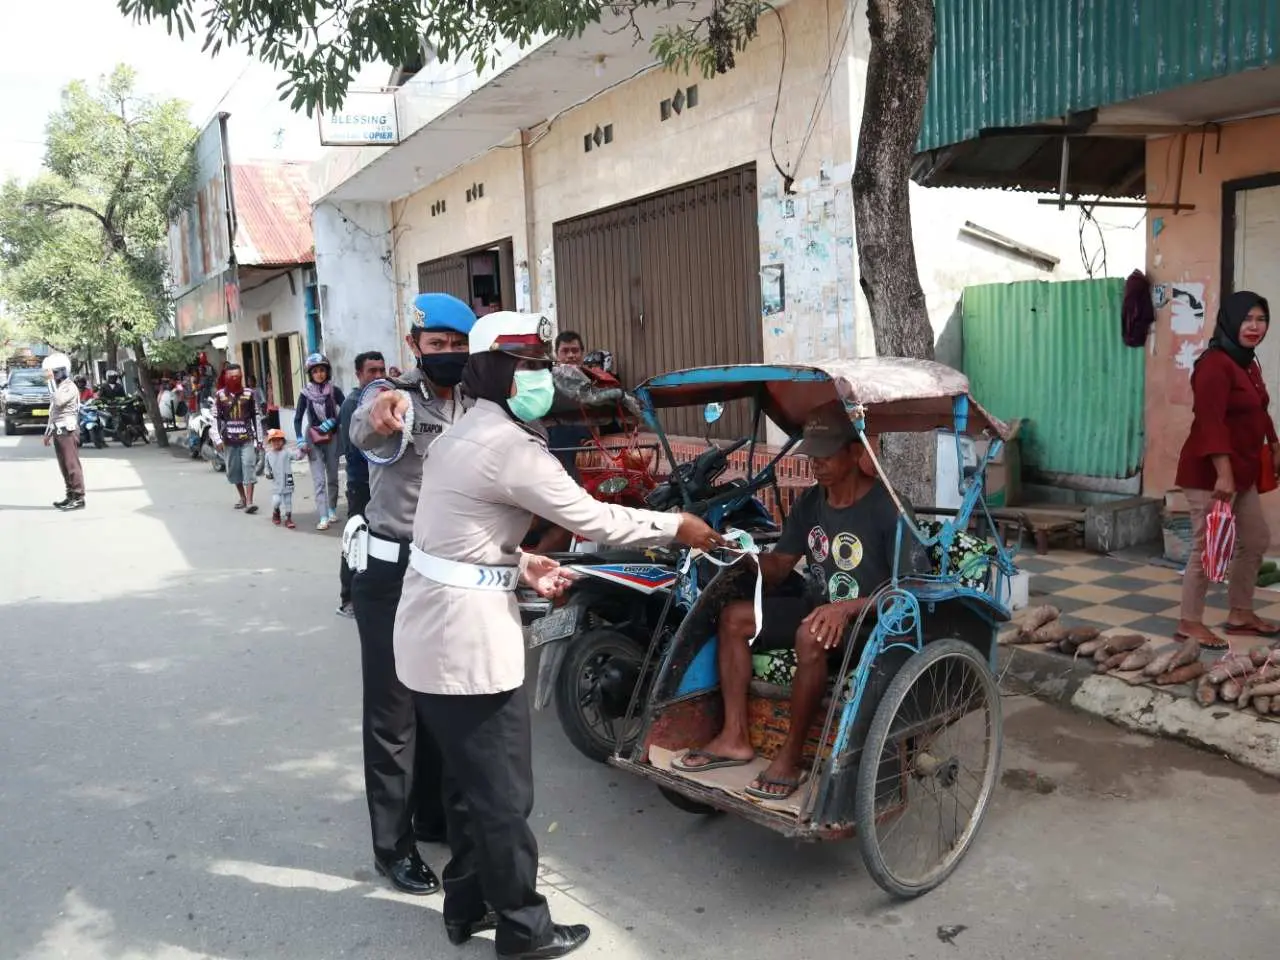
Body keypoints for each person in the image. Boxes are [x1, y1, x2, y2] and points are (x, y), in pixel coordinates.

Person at [377, 311, 723, 958]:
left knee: (466, 784)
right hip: (465, 643)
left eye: (544, 366)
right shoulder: (509, 448)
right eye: (530, 367)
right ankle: (523, 929)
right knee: (505, 792)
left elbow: (453, 538)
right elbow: (595, 519)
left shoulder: (465, 430)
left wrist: (518, 562)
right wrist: (677, 526)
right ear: (496, 372)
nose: (542, 378)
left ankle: (468, 905)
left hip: (433, 628)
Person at [673, 403, 923, 800]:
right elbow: (781, 566)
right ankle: (735, 736)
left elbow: (910, 586)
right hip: (817, 610)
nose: (816, 464)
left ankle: (791, 756)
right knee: (735, 618)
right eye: (813, 454)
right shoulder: (812, 502)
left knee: (810, 633)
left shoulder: (888, 506)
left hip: (873, 624)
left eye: (826, 454)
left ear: (855, 451)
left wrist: (846, 608)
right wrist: (739, 556)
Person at [346, 295, 475, 898]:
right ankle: (392, 848)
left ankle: (432, 817)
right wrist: (382, 410)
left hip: (448, 576)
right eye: (438, 345)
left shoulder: (477, 402)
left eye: (458, 346)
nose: (447, 355)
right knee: (393, 714)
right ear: (415, 344)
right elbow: (367, 424)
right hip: (391, 573)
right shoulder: (391, 397)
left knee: (439, 703)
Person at [1176, 290, 1280, 649]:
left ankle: (1240, 613)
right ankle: (1190, 621)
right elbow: (1210, 422)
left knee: (1254, 541)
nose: (1254, 327)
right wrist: (1223, 472)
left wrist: (1274, 444)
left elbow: (1260, 409)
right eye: (1247, 319)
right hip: (1211, 474)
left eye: (1261, 319)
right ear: (1231, 320)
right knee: (1206, 548)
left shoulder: (1247, 363)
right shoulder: (1214, 365)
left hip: (1244, 471)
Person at [336, 351, 386, 618]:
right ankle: (347, 599)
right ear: (359, 375)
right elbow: (356, 448)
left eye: (381, 370)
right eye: (372, 371)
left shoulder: (387, 400)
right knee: (356, 538)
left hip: (382, 486)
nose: (378, 376)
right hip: (361, 484)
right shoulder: (353, 404)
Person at [295, 354, 346, 530]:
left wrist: (334, 421)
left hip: (332, 437)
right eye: (315, 371)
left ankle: (332, 509)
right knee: (319, 480)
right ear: (311, 374)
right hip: (313, 439)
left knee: (332, 476)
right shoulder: (305, 394)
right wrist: (300, 439)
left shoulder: (334, 391)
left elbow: (345, 410)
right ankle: (322, 516)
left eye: (322, 370)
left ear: (327, 371)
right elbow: (297, 418)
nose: (319, 374)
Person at [209, 363, 263, 514]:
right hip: (229, 440)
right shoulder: (220, 395)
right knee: (234, 471)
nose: (235, 379)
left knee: (249, 467)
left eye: (238, 377)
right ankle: (243, 497)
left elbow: (256, 417)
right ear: (226, 377)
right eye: (232, 377)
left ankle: (250, 502)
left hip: (247, 438)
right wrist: (217, 438)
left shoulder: (249, 393)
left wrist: (259, 440)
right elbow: (215, 419)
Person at [42, 353, 85, 511]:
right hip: (58, 431)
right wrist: (47, 434)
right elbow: (53, 413)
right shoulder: (59, 388)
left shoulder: (69, 387)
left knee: (71, 464)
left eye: (52, 373)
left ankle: (79, 498)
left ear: (61, 372)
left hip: (68, 430)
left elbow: (59, 402)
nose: (50, 376)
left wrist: (50, 384)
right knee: (64, 466)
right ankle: (70, 495)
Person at [262, 428, 298, 528]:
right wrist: (267, 473)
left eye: (279, 440)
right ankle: (276, 511)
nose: (276, 442)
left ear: (283, 441)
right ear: (270, 442)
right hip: (276, 483)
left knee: (288, 501)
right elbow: (266, 467)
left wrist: (303, 450)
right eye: (273, 440)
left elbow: (296, 456)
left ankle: (288, 518)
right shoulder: (268, 455)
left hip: (287, 481)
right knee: (276, 500)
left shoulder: (287, 452)